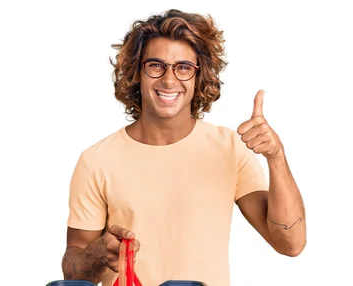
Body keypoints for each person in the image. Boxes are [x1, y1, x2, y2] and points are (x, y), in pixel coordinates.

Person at [60, 9, 306, 286]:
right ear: (136, 72)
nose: (169, 79)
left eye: (183, 67)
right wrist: (96, 254)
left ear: (198, 76)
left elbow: (290, 244)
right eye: (156, 65)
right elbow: (73, 272)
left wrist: (276, 156)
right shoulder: (96, 161)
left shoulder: (230, 149)